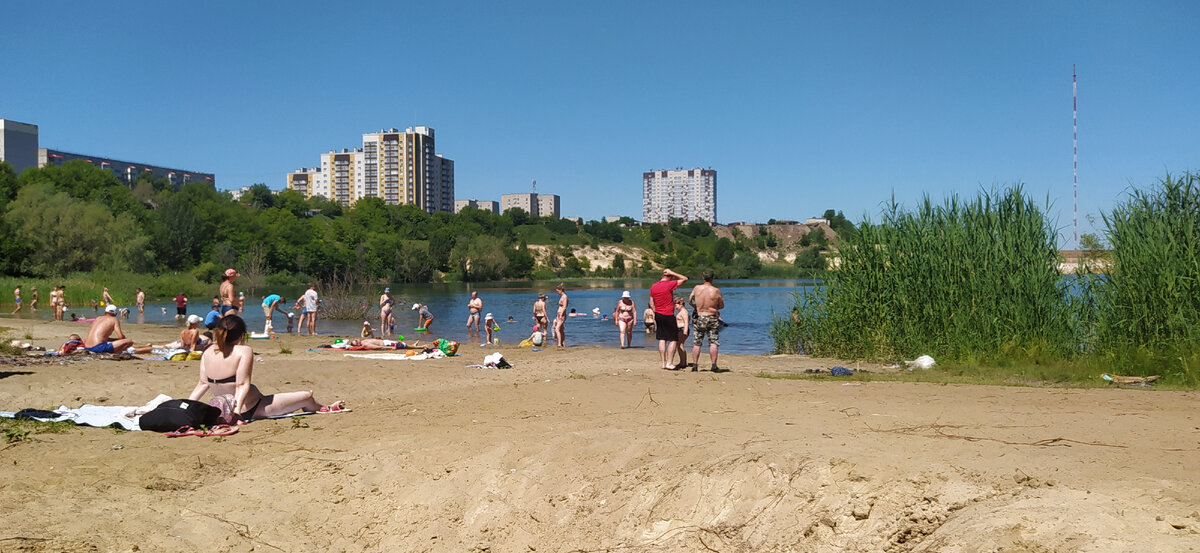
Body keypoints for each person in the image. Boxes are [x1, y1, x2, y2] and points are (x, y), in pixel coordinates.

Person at [187, 315, 346, 422]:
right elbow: (242, 385)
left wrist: (187, 406)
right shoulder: (244, 351)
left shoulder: (207, 351)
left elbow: (203, 384)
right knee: (307, 396)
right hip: (252, 407)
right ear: (242, 335)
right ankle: (327, 408)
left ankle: (322, 407)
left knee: (301, 399)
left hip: (224, 407)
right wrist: (237, 414)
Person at [688, 268, 726, 372]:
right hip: (712, 316)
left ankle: (695, 365)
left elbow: (690, 300)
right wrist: (714, 307)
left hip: (700, 316)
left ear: (702, 277)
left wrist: (696, 307)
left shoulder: (697, 288)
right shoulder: (716, 290)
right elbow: (721, 305)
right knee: (713, 341)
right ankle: (713, 365)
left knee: (697, 342)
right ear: (713, 278)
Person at [650, 268, 688, 370]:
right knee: (673, 339)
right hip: (668, 314)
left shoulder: (654, 286)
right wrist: (673, 272)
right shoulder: (669, 284)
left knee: (662, 338)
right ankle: (669, 362)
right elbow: (685, 279)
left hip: (658, 314)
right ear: (669, 277)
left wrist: (656, 311)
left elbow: (651, 303)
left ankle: (663, 363)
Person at [674, 296, 690, 369]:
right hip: (680, 329)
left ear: (681, 304)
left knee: (680, 345)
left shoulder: (684, 312)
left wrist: (685, 331)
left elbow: (686, 322)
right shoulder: (681, 312)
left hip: (682, 329)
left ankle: (683, 362)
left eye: (676, 305)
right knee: (679, 345)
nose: (675, 307)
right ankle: (682, 361)